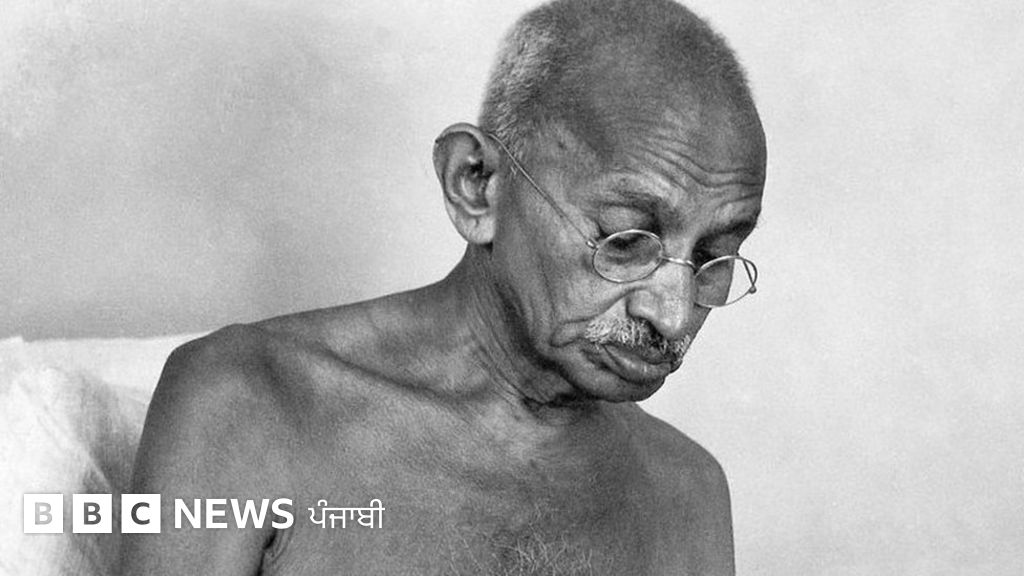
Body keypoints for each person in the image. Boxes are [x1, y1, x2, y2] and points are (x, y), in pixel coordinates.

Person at [119, 0, 766, 574]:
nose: (673, 314)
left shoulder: (687, 491)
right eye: (625, 239)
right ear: (476, 183)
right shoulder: (249, 402)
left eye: (714, 257)